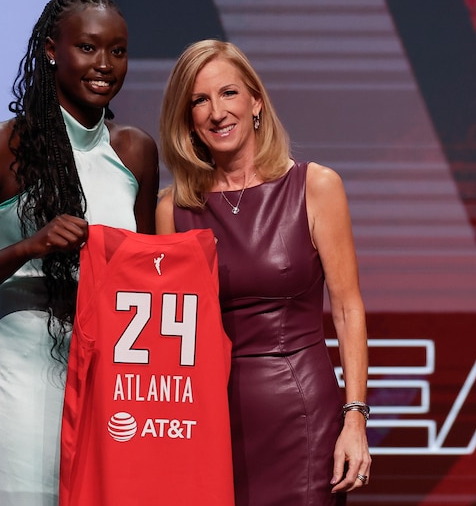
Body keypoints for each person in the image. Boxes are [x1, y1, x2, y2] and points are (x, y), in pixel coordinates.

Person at [0, 0, 159, 506]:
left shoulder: (136, 152)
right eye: (88, 47)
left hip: (109, 376)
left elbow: (148, 284)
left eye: (117, 51)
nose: (105, 64)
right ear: (52, 49)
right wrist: (27, 249)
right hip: (17, 371)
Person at [156, 39, 371, 505]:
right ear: (187, 118)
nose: (217, 112)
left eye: (228, 93)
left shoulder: (315, 186)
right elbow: (173, 339)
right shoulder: (173, 209)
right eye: (199, 100)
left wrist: (355, 418)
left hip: (301, 414)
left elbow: (349, 309)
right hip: (209, 419)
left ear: (255, 101)